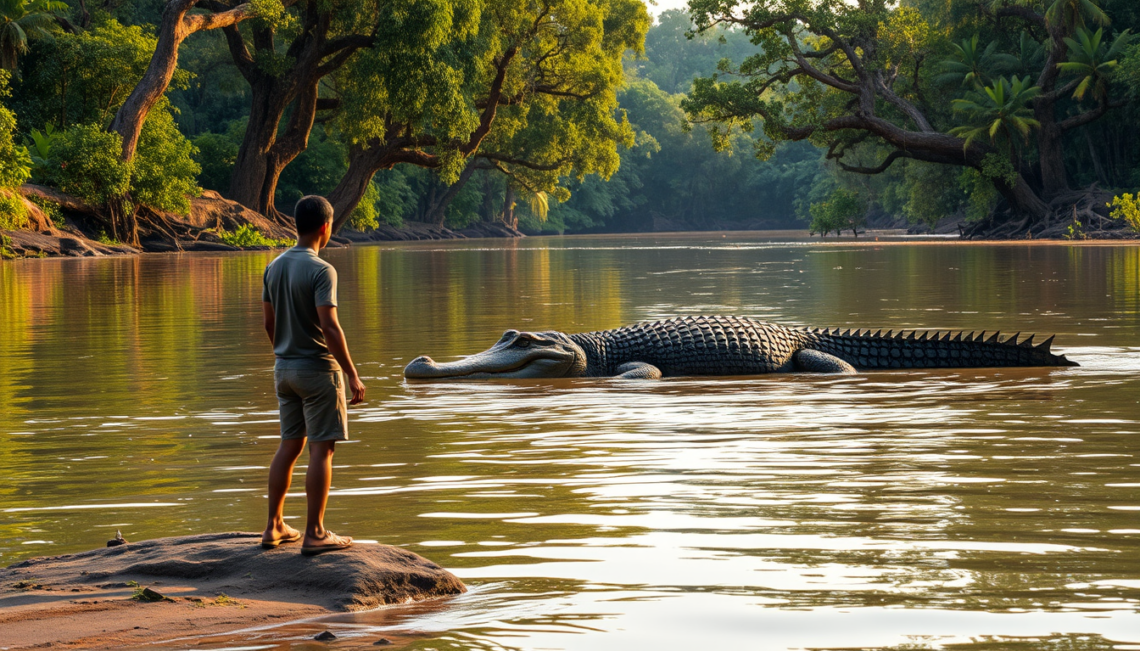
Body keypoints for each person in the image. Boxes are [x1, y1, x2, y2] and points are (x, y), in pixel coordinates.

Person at [260, 195, 366, 556]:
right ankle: (315, 533)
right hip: (318, 371)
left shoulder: (273, 267)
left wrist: (286, 352)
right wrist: (352, 373)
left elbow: (268, 323)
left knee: (289, 445)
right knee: (322, 450)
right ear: (326, 226)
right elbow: (330, 326)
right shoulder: (322, 270)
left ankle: (274, 525)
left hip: (283, 369)